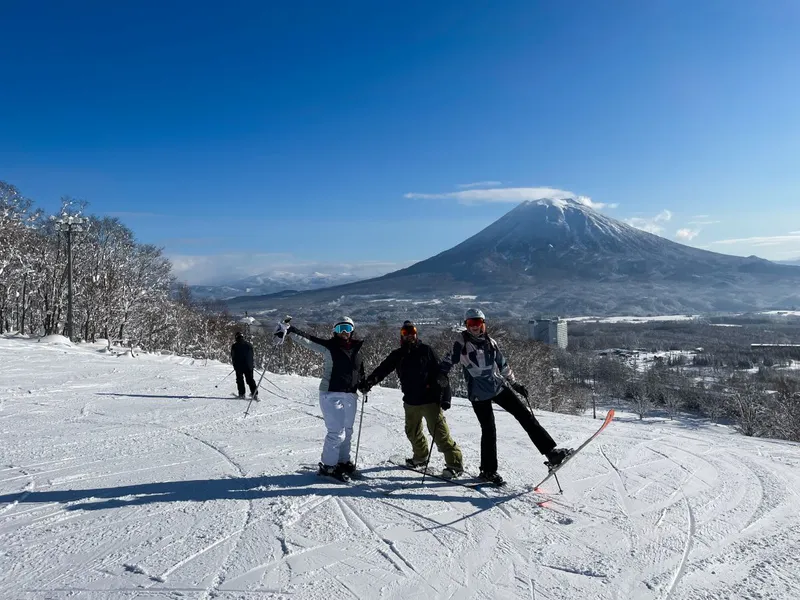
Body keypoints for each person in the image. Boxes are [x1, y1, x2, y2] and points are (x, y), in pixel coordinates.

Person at [440, 308, 571, 485]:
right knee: (489, 431)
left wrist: (515, 384)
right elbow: (450, 359)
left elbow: (502, 364)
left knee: (525, 416)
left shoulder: (490, 343)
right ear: (466, 325)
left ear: (483, 324)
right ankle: (488, 471)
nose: (475, 327)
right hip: (479, 394)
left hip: (498, 386)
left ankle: (551, 453)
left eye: (478, 323)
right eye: (471, 324)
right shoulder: (461, 343)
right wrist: (441, 374)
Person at [360, 321, 464, 479]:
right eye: (406, 333)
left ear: (416, 333)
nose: (410, 335)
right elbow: (383, 369)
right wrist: (370, 381)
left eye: (412, 332)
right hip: (410, 400)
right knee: (412, 432)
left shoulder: (426, 350)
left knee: (440, 434)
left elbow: (441, 374)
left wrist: (446, 397)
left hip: (430, 401)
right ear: (402, 335)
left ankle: (454, 464)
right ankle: (421, 457)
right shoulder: (398, 354)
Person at [275, 316, 365, 482]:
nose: (344, 332)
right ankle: (329, 466)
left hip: (351, 394)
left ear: (352, 330)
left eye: (347, 328)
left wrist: (364, 384)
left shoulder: (356, 347)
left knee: (348, 430)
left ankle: (343, 461)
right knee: (337, 433)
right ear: (335, 332)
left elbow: (359, 369)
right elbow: (308, 340)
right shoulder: (329, 347)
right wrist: (290, 330)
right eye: (340, 329)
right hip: (331, 393)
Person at [231, 331, 258, 399]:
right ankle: (254, 393)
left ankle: (242, 394)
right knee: (250, 380)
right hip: (249, 366)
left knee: (240, 380)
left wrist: (235, 365)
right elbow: (252, 355)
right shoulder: (249, 345)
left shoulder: (234, 346)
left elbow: (233, 356)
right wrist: (251, 364)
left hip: (239, 366)